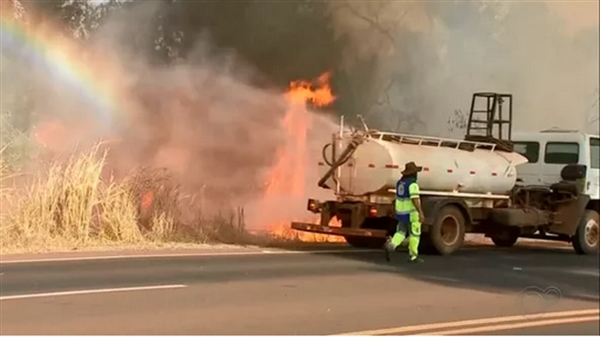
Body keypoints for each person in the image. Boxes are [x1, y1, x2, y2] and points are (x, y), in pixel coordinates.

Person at [384, 161, 425, 263]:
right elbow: (414, 199)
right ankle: (413, 256)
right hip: (411, 214)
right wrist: (420, 212)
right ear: (413, 173)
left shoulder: (400, 183)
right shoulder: (413, 185)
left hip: (401, 213)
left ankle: (391, 245)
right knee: (414, 234)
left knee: (401, 232)